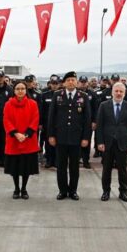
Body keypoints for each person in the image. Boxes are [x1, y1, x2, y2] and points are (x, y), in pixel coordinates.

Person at [48, 71, 92, 200]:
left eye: (73, 80)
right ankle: (62, 191)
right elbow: (51, 117)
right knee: (61, 166)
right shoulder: (57, 95)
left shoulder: (83, 96)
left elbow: (87, 119)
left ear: (76, 82)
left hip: (76, 138)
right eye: (68, 80)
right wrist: (51, 135)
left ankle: (73, 191)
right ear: (64, 83)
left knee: (74, 167)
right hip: (60, 137)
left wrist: (86, 137)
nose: (71, 82)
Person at [96, 82, 127, 202]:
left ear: (124, 93)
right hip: (107, 143)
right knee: (106, 169)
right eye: (116, 91)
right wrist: (99, 142)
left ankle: (123, 192)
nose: (118, 93)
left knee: (122, 170)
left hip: (123, 143)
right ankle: (106, 192)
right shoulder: (104, 105)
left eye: (121, 91)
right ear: (112, 92)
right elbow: (99, 125)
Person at [2, 80, 40, 199]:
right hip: (14, 140)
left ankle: (24, 189)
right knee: (15, 168)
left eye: (22, 88)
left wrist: (26, 134)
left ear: (26, 90)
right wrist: (15, 133)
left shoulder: (33, 103)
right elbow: (6, 120)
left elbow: (35, 119)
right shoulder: (8, 104)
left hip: (28, 140)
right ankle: (16, 189)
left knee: (26, 168)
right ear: (14, 91)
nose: (20, 91)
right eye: (17, 89)